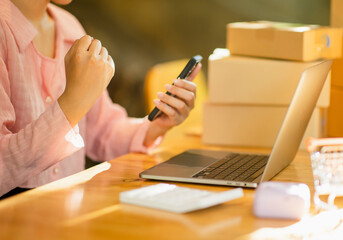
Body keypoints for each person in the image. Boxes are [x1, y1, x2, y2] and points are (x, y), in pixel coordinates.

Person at [0, 0, 200, 198]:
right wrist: (72, 101)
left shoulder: (69, 26)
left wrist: (155, 126)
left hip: (69, 213)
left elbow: (102, 129)